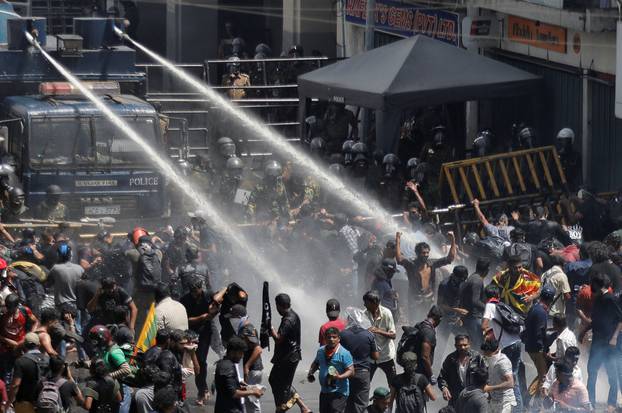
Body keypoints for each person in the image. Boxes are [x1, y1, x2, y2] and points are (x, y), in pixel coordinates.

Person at [580, 272, 622, 411]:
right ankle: (590, 402)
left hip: (609, 343)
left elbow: (620, 319)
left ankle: (611, 404)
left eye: (593, 284)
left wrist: (615, 337)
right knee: (592, 372)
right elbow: (596, 320)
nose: (591, 286)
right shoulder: (597, 299)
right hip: (597, 342)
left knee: (612, 374)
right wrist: (584, 331)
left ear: (599, 285)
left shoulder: (610, 299)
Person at [396, 231, 456, 323]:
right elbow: (399, 259)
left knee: (429, 323)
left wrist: (452, 240)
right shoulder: (411, 265)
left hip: (429, 299)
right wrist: (398, 239)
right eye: (423, 253)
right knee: (415, 324)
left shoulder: (432, 264)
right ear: (417, 253)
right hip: (415, 300)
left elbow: (449, 259)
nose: (426, 255)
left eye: (427, 253)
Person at [481, 284, 523, 411]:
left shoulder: (490, 306)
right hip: (517, 342)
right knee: (513, 376)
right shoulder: (503, 305)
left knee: (508, 378)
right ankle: (518, 407)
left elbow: (484, 325)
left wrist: (489, 336)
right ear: (498, 295)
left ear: (486, 297)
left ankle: (512, 408)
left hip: (507, 345)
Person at [180, 275, 221, 405]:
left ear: (201, 288)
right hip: (192, 333)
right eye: (192, 292)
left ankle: (203, 391)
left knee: (204, 360)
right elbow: (184, 319)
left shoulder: (209, 295)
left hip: (207, 332)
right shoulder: (185, 300)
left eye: (196, 291)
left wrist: (213, 312)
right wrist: (201, 317)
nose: (194, 294)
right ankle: (202, 390)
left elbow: (221, 297)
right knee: (198, 362)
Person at [269, 293, 312, 413]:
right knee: (275, 380)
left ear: (279, 306)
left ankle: (281, 407)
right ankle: (303, 407)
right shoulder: (292, 315)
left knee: (283, 385)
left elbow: (278, 338)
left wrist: (270, 328)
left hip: (288, 357)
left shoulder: (288, 319)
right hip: (287, 356)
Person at [339, 307, 379, 413]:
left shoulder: (342, 334)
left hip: (346, 372)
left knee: (347, 401)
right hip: (363, 372)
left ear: (349, 319)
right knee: (360, 403)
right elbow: (376, 356)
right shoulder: (369, 335)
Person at [307, 327, 354, 413]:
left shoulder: (344, 353)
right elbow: (316, 363)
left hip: (339, 392)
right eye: (328, 337)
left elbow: (351, 371)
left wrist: (339, 377)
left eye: (334, 337)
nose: (331, 339)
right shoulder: (320, 351)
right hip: (324, 391)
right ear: (325, 339)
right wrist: (311, 373)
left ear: (339, 339)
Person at [215, 336, 265, 413]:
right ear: (232, 352)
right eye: (241, 353)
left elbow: (226, 387)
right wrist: (253, 392)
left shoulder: (224, 363)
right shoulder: (228, 367)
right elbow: (234, 393)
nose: (242, 356)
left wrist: (239, 384)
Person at [523, 285, 555, 399]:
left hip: (531, 346)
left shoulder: (535, 307)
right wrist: (543, 349)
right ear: (551, 299)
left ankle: (531, 398)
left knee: (542, 374)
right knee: (544, 377)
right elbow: (539, 332)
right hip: (537, 348)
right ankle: (533, 402)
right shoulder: (542, 312)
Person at [0, 294, 38, 384]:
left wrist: (31, 334)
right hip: (5, 347)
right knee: (6, 371)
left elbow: (35, 322)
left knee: (20, 369)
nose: (9, 310)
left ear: (17, 306)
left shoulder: (25, 311)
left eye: (11, 308)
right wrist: (5, 340)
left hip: (21, 346)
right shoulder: (2, 313)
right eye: (8, 307)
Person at [438, 334, 484, 409]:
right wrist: (444, 388)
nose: (462, 347)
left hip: (473, 397)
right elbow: (442, 376)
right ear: (455, 345)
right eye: (459, 345)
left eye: (465, 345)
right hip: (456, 398)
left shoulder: (477, 357)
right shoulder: (451, 359)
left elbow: (485, 376)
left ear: (469, 344)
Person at [363, 290, 396, 386]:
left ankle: (392, 400)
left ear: (375, 303)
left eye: (366, 303)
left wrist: (378, 330)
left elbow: (393, 335)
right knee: (365, 384)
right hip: (371, 357)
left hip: (386, 356)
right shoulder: (364, 314)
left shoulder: (387, 313)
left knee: (393, 384)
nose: (364, 305)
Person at [7, 332, 47, 413]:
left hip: (25, 403)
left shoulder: (21, 361)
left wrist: (9, 402)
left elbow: (15, 385)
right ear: (39, 345)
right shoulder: (48, 360)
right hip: (46, 402)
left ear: (24, 345)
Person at [436, 265, 469, 355]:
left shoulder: (462, 283)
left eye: (464, 279)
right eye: (461, 279)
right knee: (440, 346)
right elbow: (440, 305)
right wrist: (457, 310)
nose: (463, 281)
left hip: (457, 319)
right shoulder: (444, 285)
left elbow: (461, 300)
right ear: (454, 276)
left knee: (464, 342)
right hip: (444, 320)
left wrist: (459, 317)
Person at [459, 258, 490, 349]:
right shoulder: (477, 281)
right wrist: (487, 308)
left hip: (469, 316)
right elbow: (474, 301)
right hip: (473, 317)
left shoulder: (473, 277)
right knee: (478, 344)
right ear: (486, 270)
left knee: (474, 342)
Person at [481, 338, 516, 413]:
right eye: (485, 351)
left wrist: (490, 388)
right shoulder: (488, 359)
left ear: (496, 350)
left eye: (488, 351)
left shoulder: (503, 362)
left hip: (505, 402)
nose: (485, 353)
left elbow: (510, 383)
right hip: (493, 400)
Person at [48, 243, 84, 312]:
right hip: (76, 304)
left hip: (61, 305)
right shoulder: (80, 268)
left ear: (58, 255)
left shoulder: (55, 268)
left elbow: (48, 284)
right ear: (71, 255)